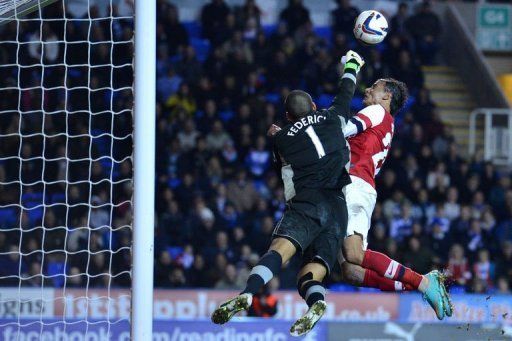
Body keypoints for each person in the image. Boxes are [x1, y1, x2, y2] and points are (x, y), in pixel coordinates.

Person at [211, 50, 364, 336]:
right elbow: (345, 92)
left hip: (308, 203)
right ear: (315, 106)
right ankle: (316, 303)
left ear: (287, 116)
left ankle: (248, 293)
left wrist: (278, 133)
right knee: (313, 268)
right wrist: (352, 64)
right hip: (338, 207)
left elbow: (282, 160)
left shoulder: (281, 139)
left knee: (278, 252)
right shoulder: (333, 118)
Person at [338, 77, 452, 320]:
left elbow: (341, 130)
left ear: (386, 96)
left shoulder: (376, 110)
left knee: (355, 255)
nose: (368, 89)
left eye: (375, 87)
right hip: (355, 186)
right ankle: (421, 284)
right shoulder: (386, 121)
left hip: (354, 185)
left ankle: (422, 282)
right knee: (351, 272)